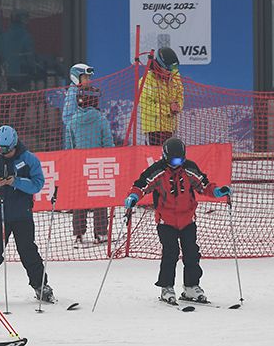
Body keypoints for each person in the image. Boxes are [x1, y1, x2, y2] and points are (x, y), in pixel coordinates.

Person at [124, 137, 231, 304]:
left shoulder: (189, 168)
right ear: (166, 157)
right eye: (174, 160)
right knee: (170, 253)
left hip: (187, 219)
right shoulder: (157, 170)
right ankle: (166, 287)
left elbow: (203, 184)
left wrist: (216, 192)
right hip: (166, 221)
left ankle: (191, 287)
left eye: (181, 159)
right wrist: (133, 196)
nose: (177, 164)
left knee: (192, 253)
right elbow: (141, 185)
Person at [0, 125, 55, 303]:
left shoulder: (29, 160)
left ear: (14, 145)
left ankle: (40, 286)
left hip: (22, 215)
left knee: (28, 251)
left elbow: (37, 184)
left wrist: (16, 182)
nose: (2, 154)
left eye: (5, 150)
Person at [64, 86, 114, 244]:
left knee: (80, 198)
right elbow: (108, 143)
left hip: (79, 165)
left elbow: (69, 145)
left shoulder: (72, 121)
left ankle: (78, 234)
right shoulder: (100, 119)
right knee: (99, 196)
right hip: (97, 163)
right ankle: (100, 233)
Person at [140, 47, 184, 146]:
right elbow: (146, 106)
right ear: (160, 65)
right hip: (153, 129)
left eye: (173, 68)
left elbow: (180, 96)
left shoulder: (175, 77)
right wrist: (168, 108)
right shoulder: (147, 80)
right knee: (156, 157)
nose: (170, 71)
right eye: (168, 68)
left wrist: (178, 106)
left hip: (170, 127)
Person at [62, 63, 94, 127]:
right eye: (85, 77)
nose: (89, 80)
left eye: (89, 77)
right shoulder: (72, 94)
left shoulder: (82, 91)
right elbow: (67, 119)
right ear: (76, 78)